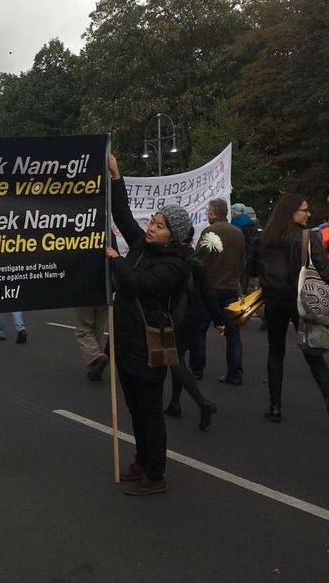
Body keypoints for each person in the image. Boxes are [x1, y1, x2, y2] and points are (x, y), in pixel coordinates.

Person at [106, 154, 191, 495]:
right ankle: (141, 458)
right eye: (153, 222)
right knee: (133, 406)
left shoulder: (175, 264)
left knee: (150, 410)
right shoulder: (142, 245)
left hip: (149, 344)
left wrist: (115, 261)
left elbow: (139, 285)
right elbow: (122, 215)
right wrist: (116, 175)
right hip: (126, 340)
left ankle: (156, 475)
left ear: (173, 236)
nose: (151, 227)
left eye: (159, 225)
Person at [253, 193, 329, 427]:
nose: (308, 213)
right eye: (304, 209)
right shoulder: (308, 237)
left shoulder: (264, 238)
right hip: (301, 300)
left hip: (274, 300)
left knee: (275, 352)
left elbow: (252, 268)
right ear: (291, 212)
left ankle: (275, 405)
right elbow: (324, 269)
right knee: (313, 352)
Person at [166, 228, 222, 431]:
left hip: (178, 315)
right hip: (196, 314)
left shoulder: (173, 257)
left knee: (173, 359)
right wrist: (218, 319)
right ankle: (175, 403)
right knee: (178, 356)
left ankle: (202, 403)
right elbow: (207, 289)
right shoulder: (194, 257)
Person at [191, 198, 246, 384]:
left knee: (199, 330)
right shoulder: (238, 233)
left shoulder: (210, 232)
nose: (207, 214)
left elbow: (198, 261)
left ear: (213, 213)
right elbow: (242, 262)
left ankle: (197, 369)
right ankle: (235, 373)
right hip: (231, 287)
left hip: (211, 288)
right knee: (233, 334)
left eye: (208, 211)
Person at [74, 306, 109, 381]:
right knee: (98, 331)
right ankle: (95, 367)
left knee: (83, 329)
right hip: (104, 297)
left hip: (86, 297)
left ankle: (96, 356)